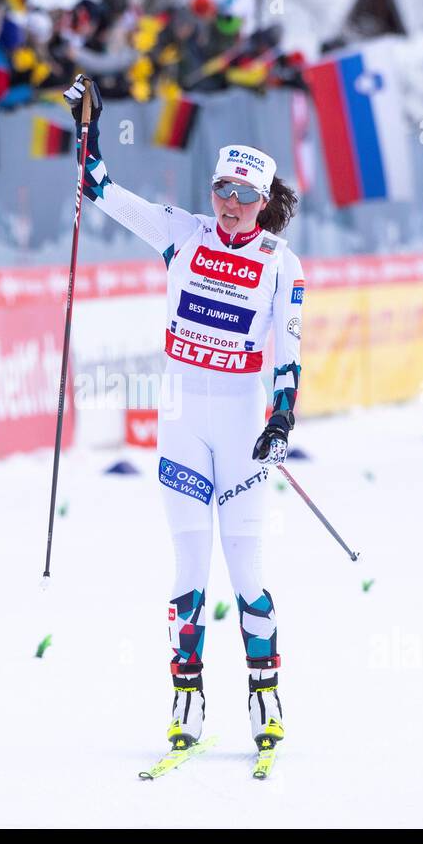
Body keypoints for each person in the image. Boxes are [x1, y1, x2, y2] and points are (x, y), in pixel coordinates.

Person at [63, 75, 304, 757]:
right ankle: (188, 695)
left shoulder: (281, 266)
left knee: (248, 572)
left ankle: (264, 694)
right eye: (224, 190)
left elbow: (287, 349)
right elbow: (100, 190)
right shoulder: (181, 234)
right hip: (180, 420)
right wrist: (91, 126)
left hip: (239, 427)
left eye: (246, 195)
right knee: (189, 571)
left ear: (264, 202)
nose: (231, 205)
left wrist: (281, 417)